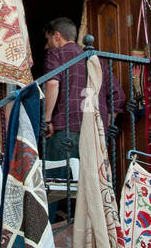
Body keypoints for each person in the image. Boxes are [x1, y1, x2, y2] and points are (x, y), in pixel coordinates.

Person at [42, 16, 126, 162]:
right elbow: (118, 96)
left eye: (47, 40)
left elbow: (53, 84)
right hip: (95, 132)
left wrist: (47, 120)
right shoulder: (97, 61)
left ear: (56, 36)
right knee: (91, 182)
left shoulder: (56, 54)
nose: (46, 46)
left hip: (66, 127)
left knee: (58, 182)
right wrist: (104, 124)